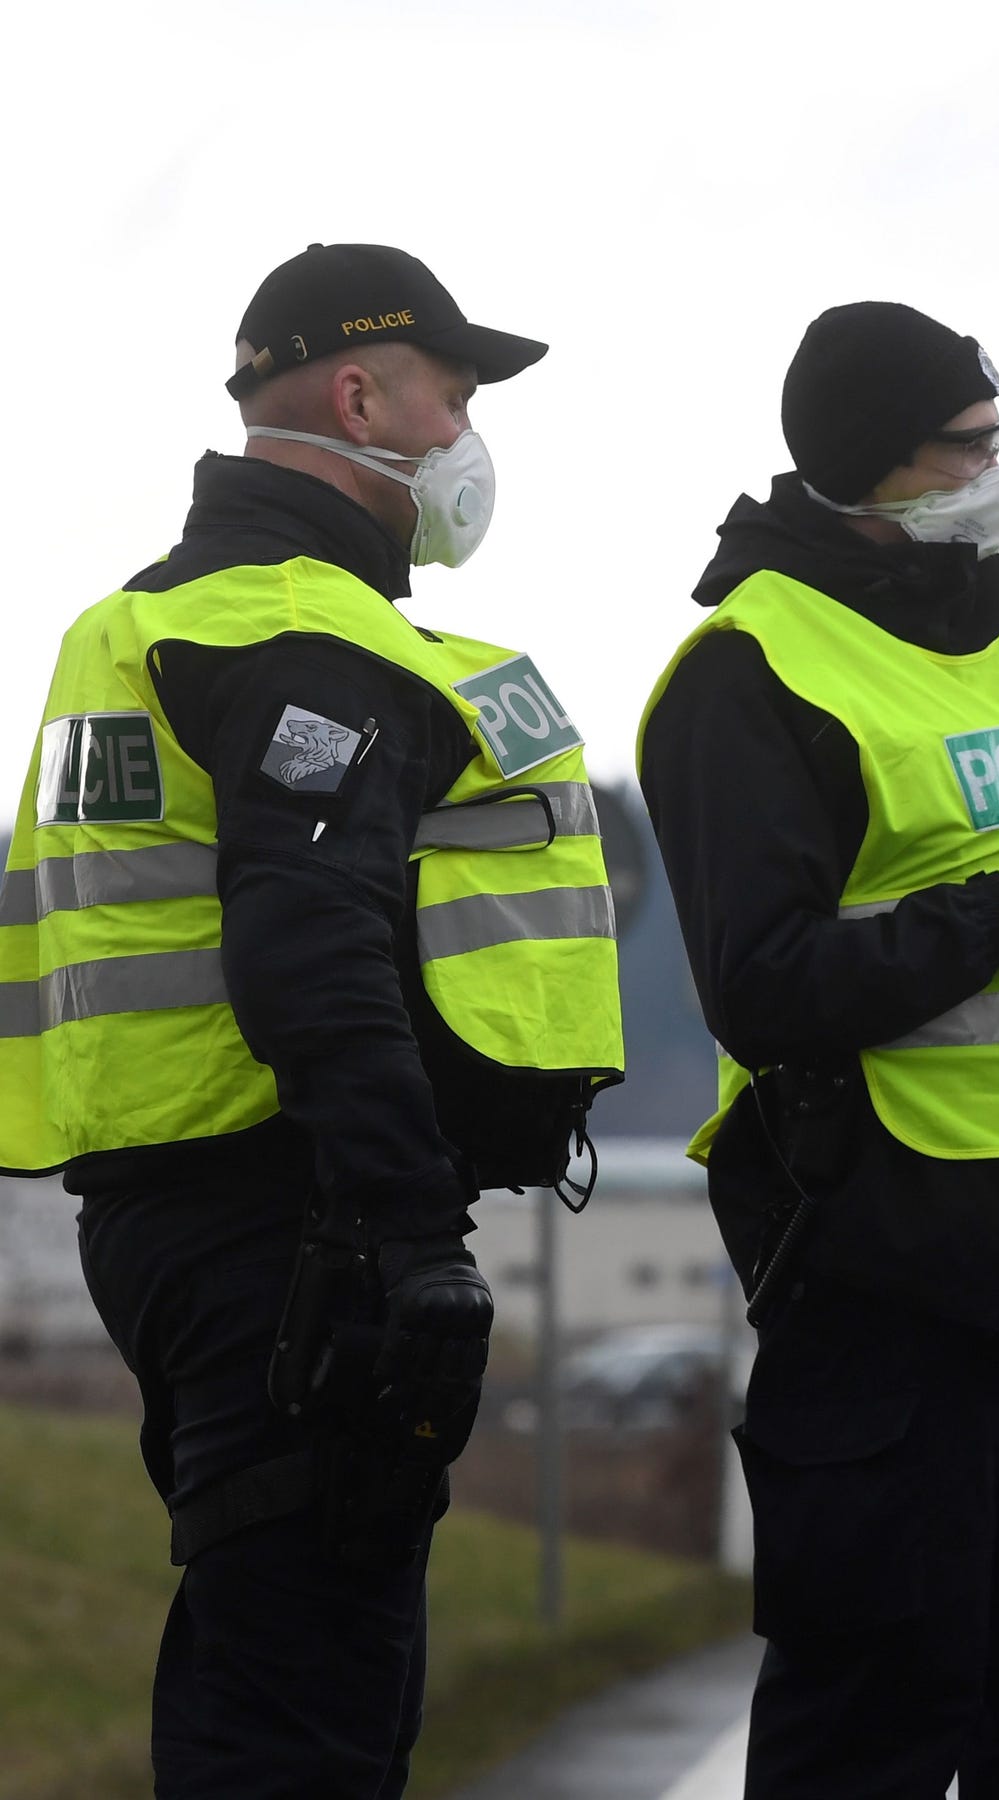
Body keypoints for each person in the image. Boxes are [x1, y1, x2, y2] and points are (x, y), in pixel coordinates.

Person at [0, 242, 622, 1795]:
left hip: (174, 1215)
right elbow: (309, 940)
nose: (470, 437)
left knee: (267, 1652)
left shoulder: (140, 623)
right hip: (294, 1225)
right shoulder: (302, 630)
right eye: (456, 395)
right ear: (363, 395)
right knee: (306, 1717)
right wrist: (412, 1240)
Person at [638, 301, 999, 1798]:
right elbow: (762, 984)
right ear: (877, 462)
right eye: (969, 444)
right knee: (875, 1725)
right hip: (879, 1261)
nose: (998, 466)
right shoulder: (748, 670)